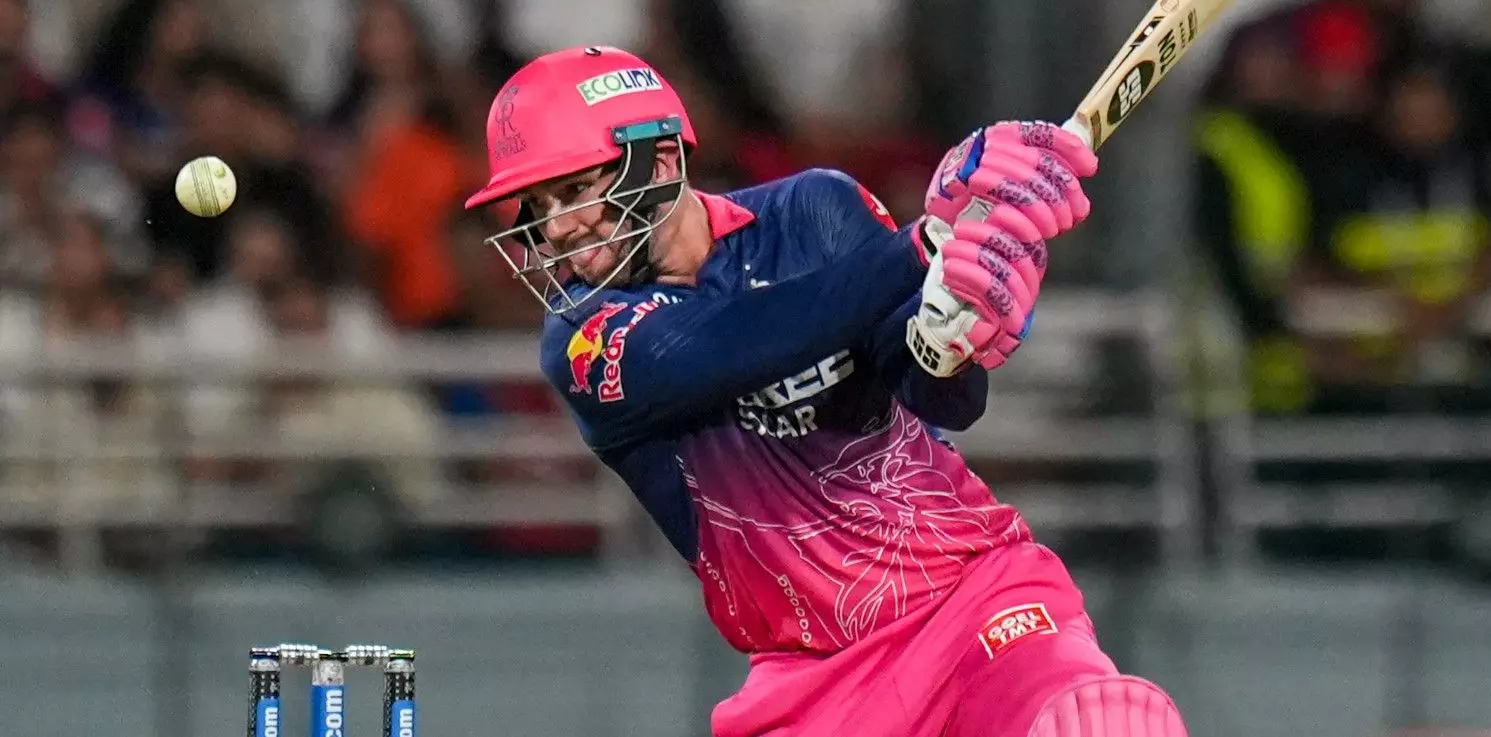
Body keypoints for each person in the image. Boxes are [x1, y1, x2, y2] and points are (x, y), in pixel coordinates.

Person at [462, 45, 1190, 737]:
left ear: (660, 160)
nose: (560, 226)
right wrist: (926, 243)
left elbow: (947, 404)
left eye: (577, 190)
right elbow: (731, 343)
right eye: (539, 204)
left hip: (971, 600)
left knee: (1104, 724)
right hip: (814, 683)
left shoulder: (813, 213)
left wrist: (953, 331)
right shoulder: (582, 337)